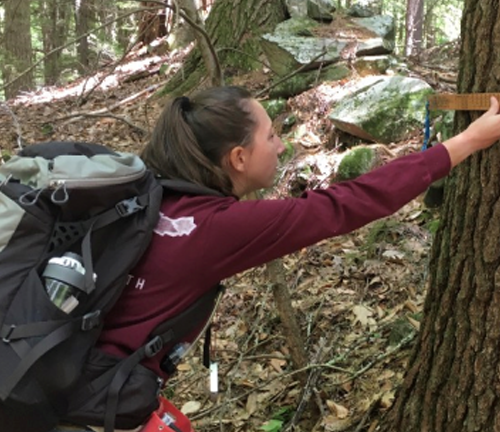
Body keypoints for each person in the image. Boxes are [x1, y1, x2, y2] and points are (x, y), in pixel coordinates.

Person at [56, 86, 500, 432]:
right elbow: (346, 204)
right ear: (238, 158)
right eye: (271, 135)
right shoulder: (215, 228)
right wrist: (465, 142)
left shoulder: (147, 195)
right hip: (88, 406)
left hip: (56, 376)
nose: (282, 145)